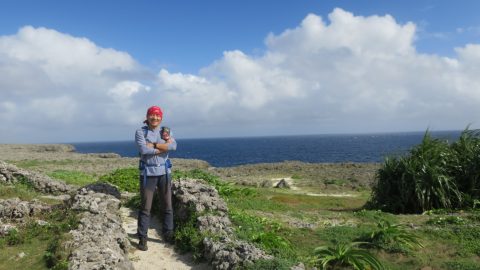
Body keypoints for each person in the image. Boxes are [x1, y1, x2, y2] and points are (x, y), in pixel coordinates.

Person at [135, 105, 177, 251]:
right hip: (148, 173)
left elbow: (173, 147)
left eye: (158, 115)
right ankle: (142, 238)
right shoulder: (141, 132)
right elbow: (143, 150)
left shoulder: (165, 130)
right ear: (147, 117)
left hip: (164, 172)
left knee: (168, 205)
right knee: (146, 207)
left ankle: (168, 234)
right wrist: (163, 147)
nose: (155, 117)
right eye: (152, 115)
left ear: (161, 117)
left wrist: (153, 145)